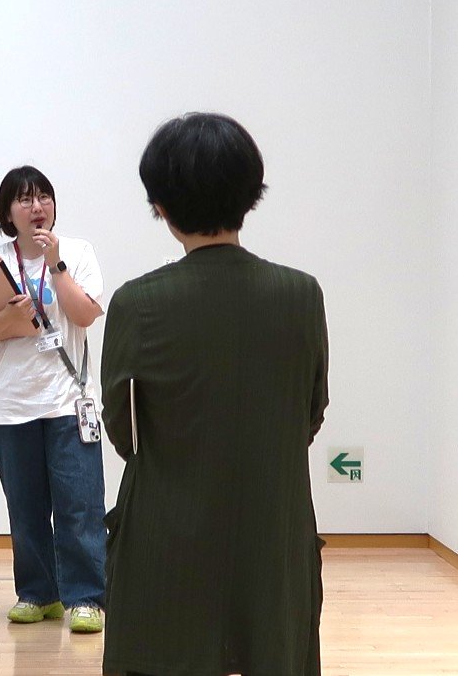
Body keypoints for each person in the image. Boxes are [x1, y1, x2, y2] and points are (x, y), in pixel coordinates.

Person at [100, 112, 329, 676]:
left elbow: (123, 429)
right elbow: (310, 413)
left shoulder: (137, 303)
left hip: (166, 531)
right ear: (251, 193)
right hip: (272, 530)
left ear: (161, 205)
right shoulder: (301, 294)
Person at [0, 166, 107, 633]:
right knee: (25, 510)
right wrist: (8, 318)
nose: (37, 207)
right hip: (12, 404)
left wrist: (57, 265)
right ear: (8, 213)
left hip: (69, 401)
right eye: (24, 199)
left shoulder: (77, 252)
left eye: (44, 197)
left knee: (79, 505)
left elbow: (84, 314)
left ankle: (86, 598)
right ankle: (39, 594)